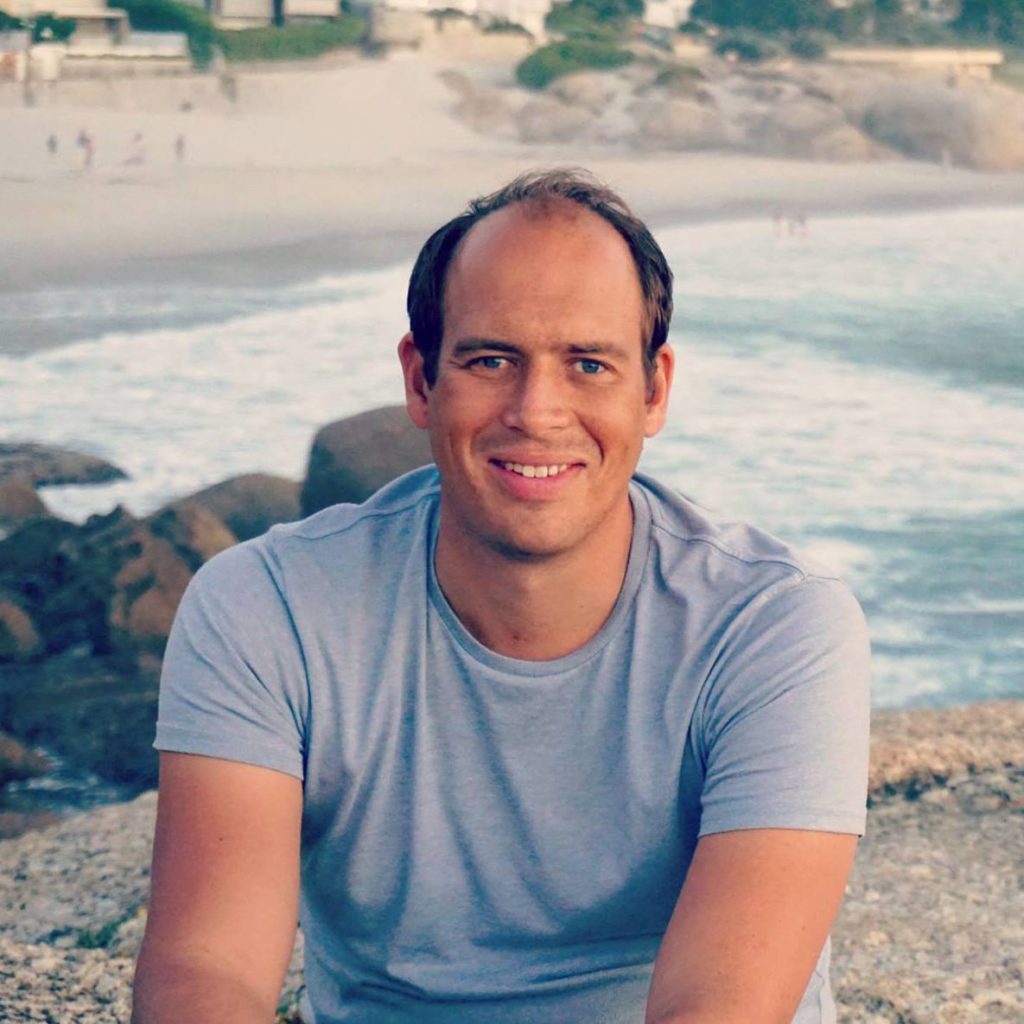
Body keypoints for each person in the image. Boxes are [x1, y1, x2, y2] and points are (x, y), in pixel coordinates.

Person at [133, 168, 870, 1024]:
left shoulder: (775, 627)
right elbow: (205, 968)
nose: (538, 410)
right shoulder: (269, 607)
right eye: (491, 360)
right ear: (419, 380)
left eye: (589, 364)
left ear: (654, 390)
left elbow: (719, 1006)